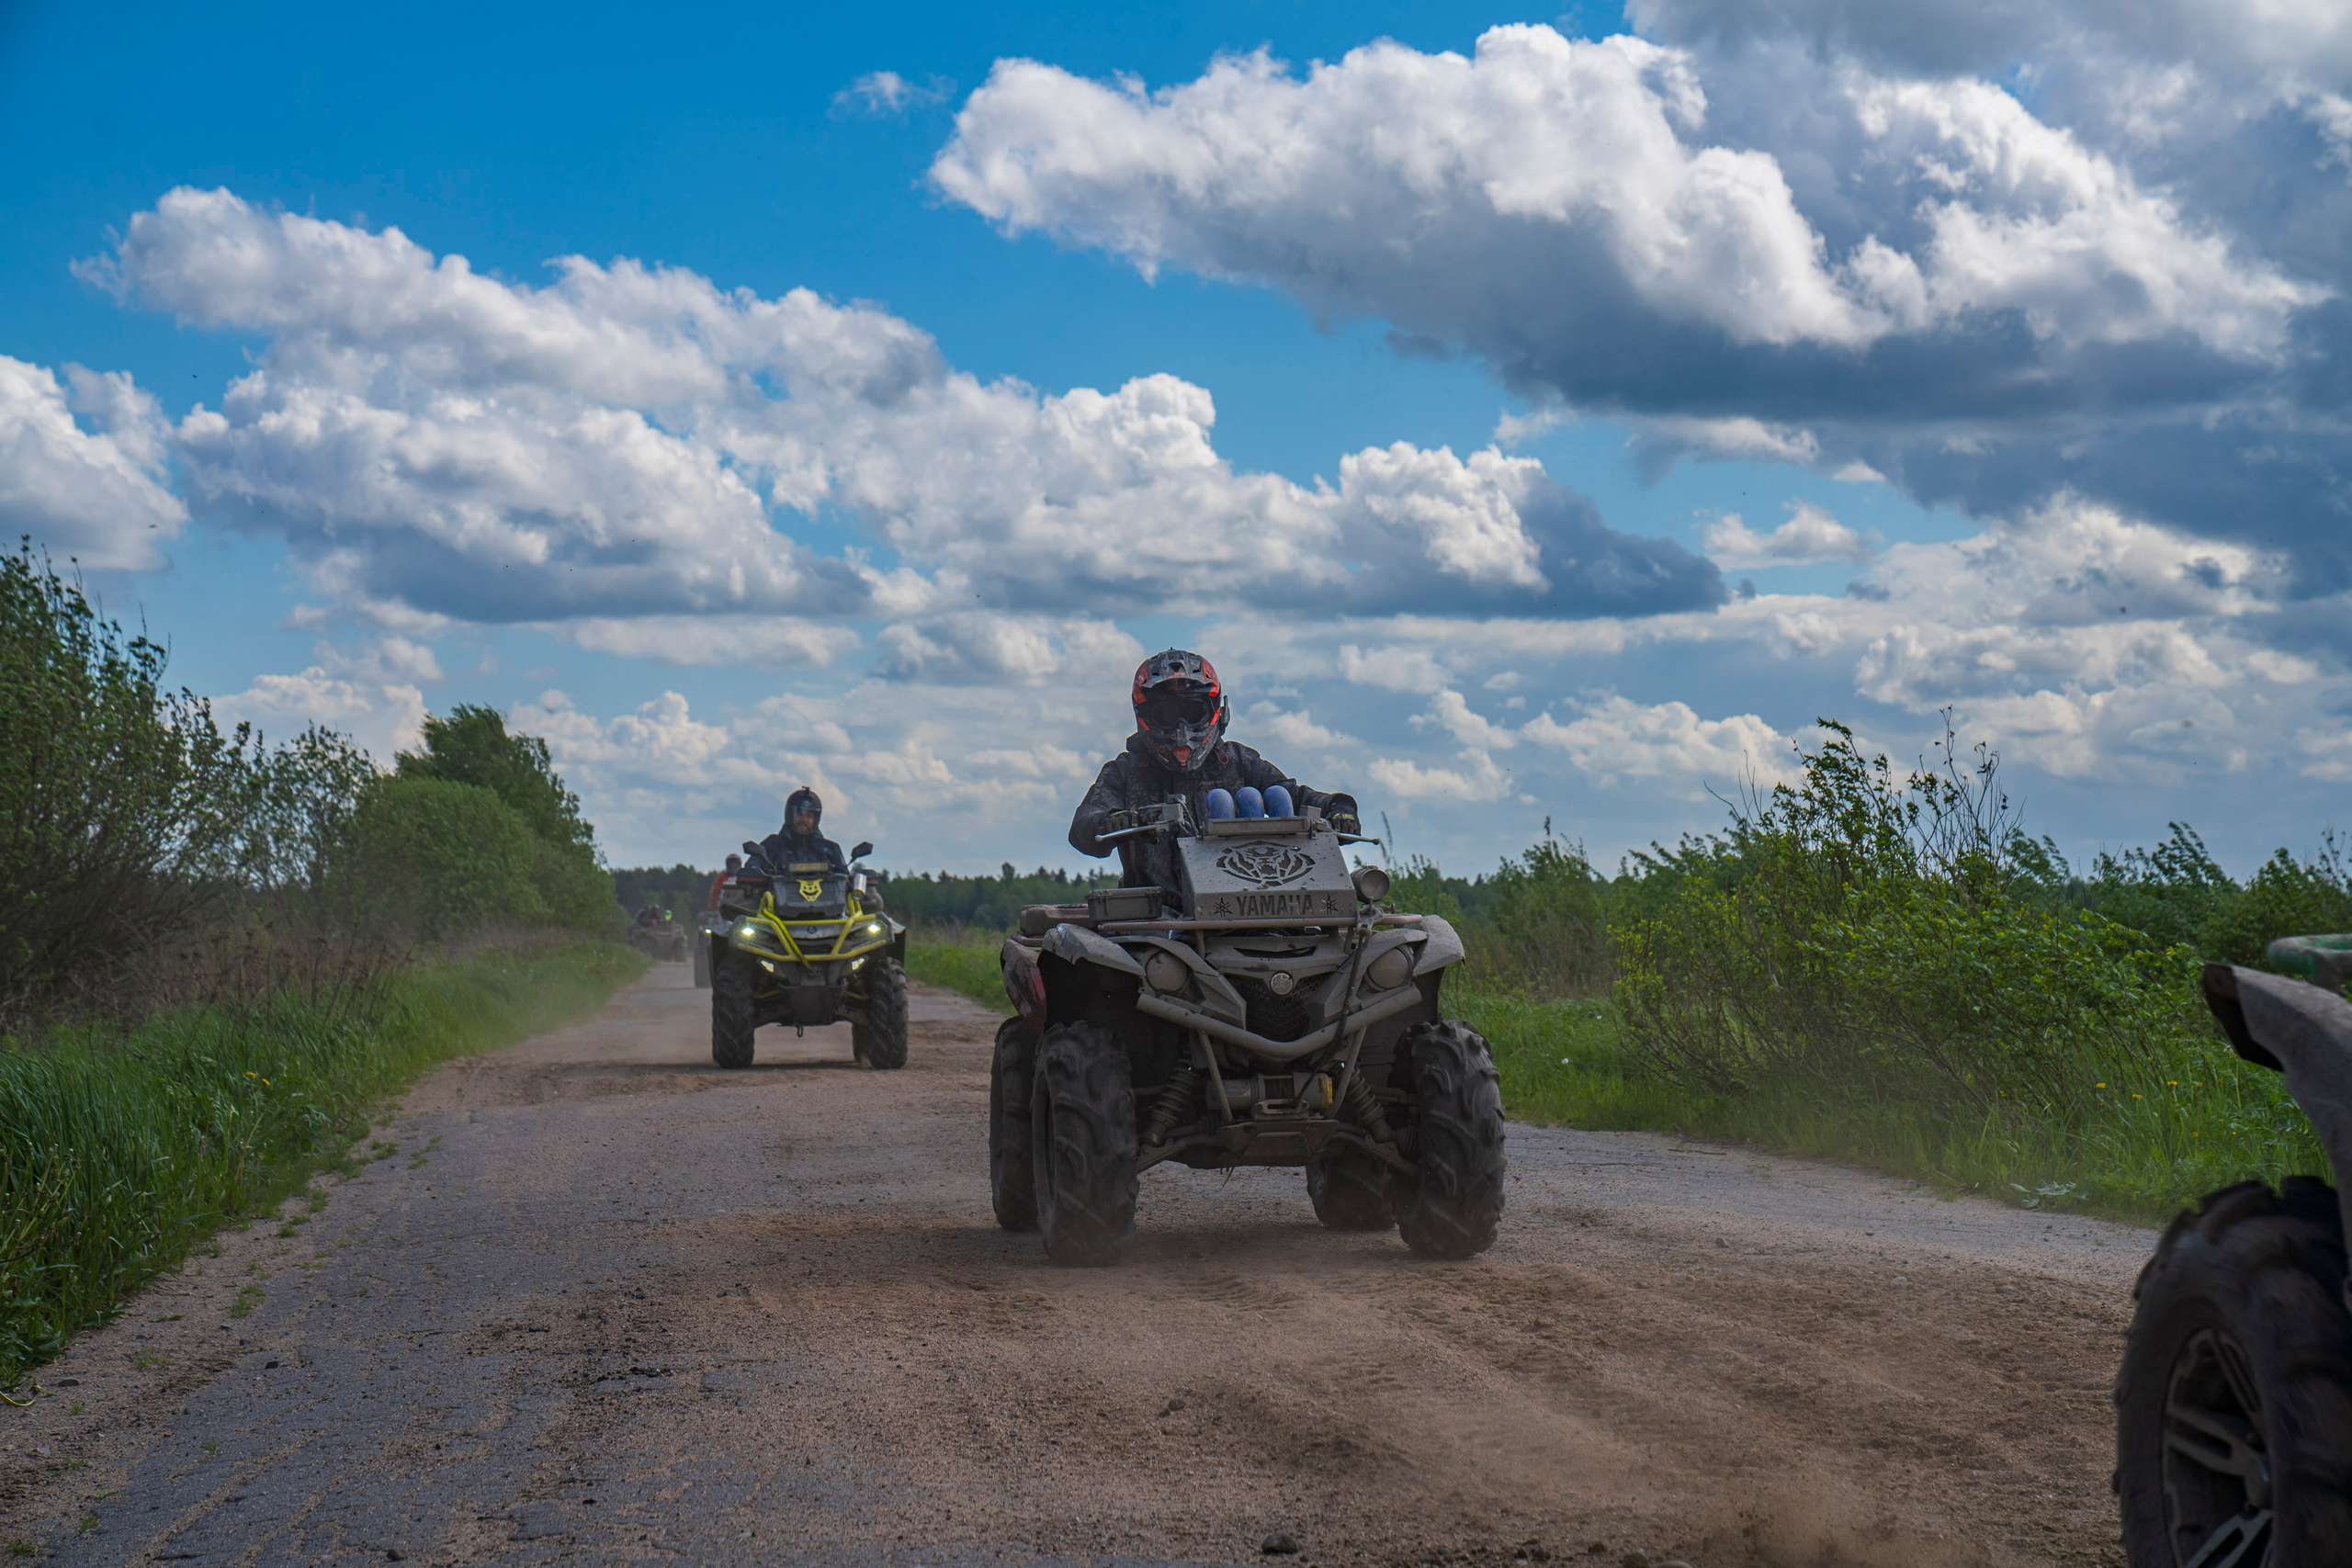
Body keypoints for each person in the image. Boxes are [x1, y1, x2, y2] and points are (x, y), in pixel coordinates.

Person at [1070, 649, 1360, 891]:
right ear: (1144, 716)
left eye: (1192, 713)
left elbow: (1296, 796)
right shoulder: (1125, 771)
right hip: (1157, 918)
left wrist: (1340, 808)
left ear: (1215, 711)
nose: (1182, 731)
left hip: (1251, 907)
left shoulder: (1236, 760)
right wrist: (1115, 823)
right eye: (1168, 715)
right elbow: (1083, 826)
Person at [756, 786, 848, 876]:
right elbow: (752, 869)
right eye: (799, 814)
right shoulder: (772, 844)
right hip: (777, 892)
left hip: (826, 892)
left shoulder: (830, 849)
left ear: (815, 819)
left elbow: (844, 879)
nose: (804, 820)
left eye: (809, 816)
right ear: (790, 815)